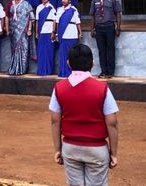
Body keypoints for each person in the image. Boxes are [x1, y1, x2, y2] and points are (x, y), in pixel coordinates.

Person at [49, 43, 119, 186]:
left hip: (70, 147)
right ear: (92, 63)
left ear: (68, 63)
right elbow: (112, 122)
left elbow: (55, 121)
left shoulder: (59, 88)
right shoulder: (102, 88)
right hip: (97, 149)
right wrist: (114, 153)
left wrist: (58, 149)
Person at [90, 0, 122, 79]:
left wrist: (118, 27)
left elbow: (118, 13)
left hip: (109, 27)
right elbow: (92, 15)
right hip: (99, 28)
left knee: (110, 50)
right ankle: (103, 71)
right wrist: (92, 28)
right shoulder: (94, 0)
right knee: (101, 50)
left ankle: (111, 72)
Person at [53, 0, 82, 78]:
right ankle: (63, 72)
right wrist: (56, 33)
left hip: (72, 33)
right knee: (63, 54)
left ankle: (72, 72)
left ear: (69, 0)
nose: (63, 0)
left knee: (72, 54)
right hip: (62, 34)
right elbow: (57, 22)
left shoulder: (74, 9)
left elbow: (78, 22)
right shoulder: (59, 9)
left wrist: (80, 32)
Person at [5, 0, 34, 76]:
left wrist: (29, 29)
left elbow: (31, 18)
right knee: (14, 49)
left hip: (23, 31)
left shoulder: (26, 4)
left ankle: (22, 69)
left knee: (23, 49)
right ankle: (14, 68)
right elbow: (7, 17)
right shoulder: (10, 4)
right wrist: (7, 29)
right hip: (13, 30)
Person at [35, 0, 58, 76]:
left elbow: (54, 21)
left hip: (49, 32)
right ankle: (41, 71)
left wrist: (53, 32)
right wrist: (36, 32)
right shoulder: (38, 7)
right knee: (41, 52)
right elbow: (37, 21)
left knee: (49, 52)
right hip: (41, 32)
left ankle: (48, 71)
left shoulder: (52, 8)